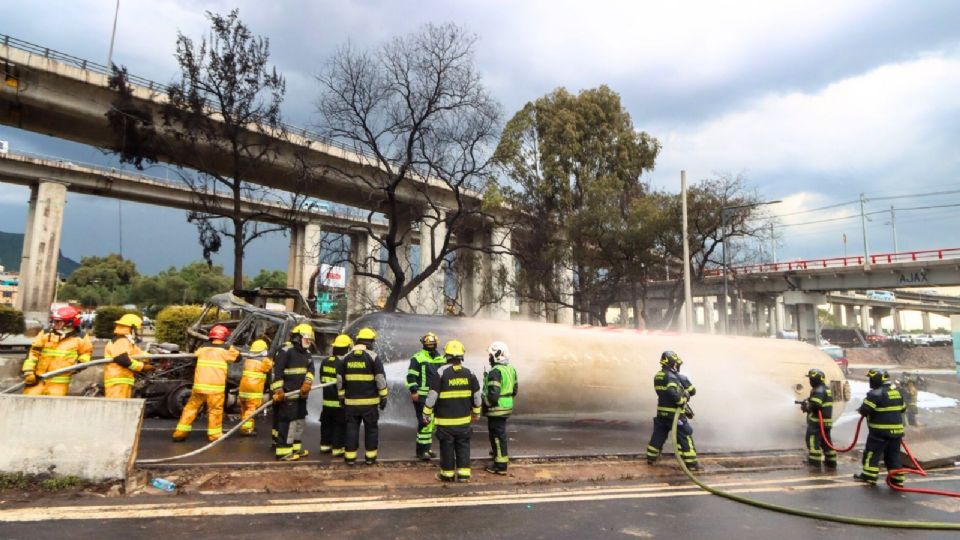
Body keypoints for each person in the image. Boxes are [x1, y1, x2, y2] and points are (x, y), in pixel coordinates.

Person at [423, 339, 482, 483]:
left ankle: (447, 476)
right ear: (462, 356)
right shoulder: (470, 373)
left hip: (445, 422)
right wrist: (476, 412)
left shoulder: (441, 373)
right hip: (463, 421)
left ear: (447, 355)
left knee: (447, 447)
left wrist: (426, 412)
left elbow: (433, 395)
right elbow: (477, 395)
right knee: (463, 447)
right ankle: (463, 475)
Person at [172, 325, 240, 442]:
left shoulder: (202, 348)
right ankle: (214, 435)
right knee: (215, 411)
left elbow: (195, 356)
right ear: (224, 336)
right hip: (215, 389)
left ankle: (180, 433)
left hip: (199, 386)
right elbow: (238, 358)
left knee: (190, 408)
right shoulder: (226, 349)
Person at [338, 327, 388, 466]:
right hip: (370, 404)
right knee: (371, 429)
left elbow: (340, 380)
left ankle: (350, 458)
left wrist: (341, 397)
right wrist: (384, 397)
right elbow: (380, 379)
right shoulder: (373, 357)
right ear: (370, 342)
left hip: (351, 403)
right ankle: (370, 458)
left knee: (351, 429)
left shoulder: (346, 358)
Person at [21, 305, 93, 396]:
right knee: (28, 404)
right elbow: (33, 352)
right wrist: (28, 371)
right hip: (37, 380)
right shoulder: (46, 333)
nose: (54, 323)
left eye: (58, 321)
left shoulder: (81, 338)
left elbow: (86, 354)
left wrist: (76, 367)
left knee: (53, 408)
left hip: (58, 385)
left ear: (70, 323)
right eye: (54, 321)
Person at [645, 351, 700, 470]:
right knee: (685, 435)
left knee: (658, 435)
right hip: (674, 414)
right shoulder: (672, 377)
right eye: (676, 364)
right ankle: (692, 463)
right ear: (671, 363)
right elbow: (672, 392)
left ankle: (651, 457)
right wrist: (682, 400)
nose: (677, 366)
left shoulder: (658, 375)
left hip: (661, 413)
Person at [854, 369, 906, 487]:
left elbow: (865, 410)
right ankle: (897, 479)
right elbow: (903, 408)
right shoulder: (896, 392)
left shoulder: (874, 394)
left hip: (879, 433)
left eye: (871, 379)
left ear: (877, 379)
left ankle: (869, 476)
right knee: (893, 455)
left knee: (872, 454)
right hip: (897, 432)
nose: (870, 382)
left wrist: (862, 410)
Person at [270, 324, 315, 461]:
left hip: (301, 395)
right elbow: (276, 374)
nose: (309, 343)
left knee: (299, 422)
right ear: (297, 338)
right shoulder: (285, 351)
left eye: (310, 340)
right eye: (307, 339)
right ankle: (283, 452)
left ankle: (295, 448)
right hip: (287, 395)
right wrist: (278, 391)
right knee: (288, 423)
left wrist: (307, 382)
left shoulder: (306, 354)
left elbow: (311, 370)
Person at [406, 332, 445, 460]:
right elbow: (411, 376)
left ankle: (427, 449)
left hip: (435, 396)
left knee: (431, 423)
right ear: (424, 344)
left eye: (433, 345)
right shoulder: (417, 358)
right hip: (422, 397)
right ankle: (421, 451)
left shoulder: (441, 358)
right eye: (429, 345)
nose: (431, 347)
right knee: (424, 423)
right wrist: (414, 391)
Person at [482, 341, 518, 475]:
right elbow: (515, 390)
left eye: (490, 355)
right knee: (499, 434)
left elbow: (493, 395)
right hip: (506, 406)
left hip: (496, 409)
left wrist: (483, 401)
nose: (489, 358)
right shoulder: (510, 369)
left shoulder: (495, 371)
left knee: (497, 436)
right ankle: (497, 454)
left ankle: (500, 465)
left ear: (497, 355)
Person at [102, 313, 155, 399]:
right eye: (137, 329)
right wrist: (142, 367)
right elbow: (122, 359)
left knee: (123, 407)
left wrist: (154, 357)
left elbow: (139, 354)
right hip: (118, 381)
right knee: (117, 407)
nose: (138, 332)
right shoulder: (121, 340)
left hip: (122, 380)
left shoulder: (127, 341)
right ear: (132, 329)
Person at [319, 334, 352, 457]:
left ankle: (325, 446)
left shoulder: (325, 361)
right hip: (339, 402)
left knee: (326, 424)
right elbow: (344, 383)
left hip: (326, 402)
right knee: (339, 425)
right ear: (347, 348)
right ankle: (337, 449)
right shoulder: (343, 363)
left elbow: (323, 380)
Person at [798, 368, 836, 470]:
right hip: (825, 422)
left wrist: (806, 407)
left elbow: (816, 405)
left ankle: (814, 462)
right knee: (826, 442)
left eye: (812, 379)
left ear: (818, 380)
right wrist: (807, 401)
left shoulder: (818, 390)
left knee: (812, 441)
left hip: (817, 423)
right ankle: (831, 462)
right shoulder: (825, 389)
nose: (810, 381)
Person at [238, 339, 273, 436]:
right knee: (251, 409)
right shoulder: (264, 361)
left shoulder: (248, 360)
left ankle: (245, 425)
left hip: (243, 389)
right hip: (253, 390)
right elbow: (269, 366)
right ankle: (247, 429)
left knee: (244, 409)